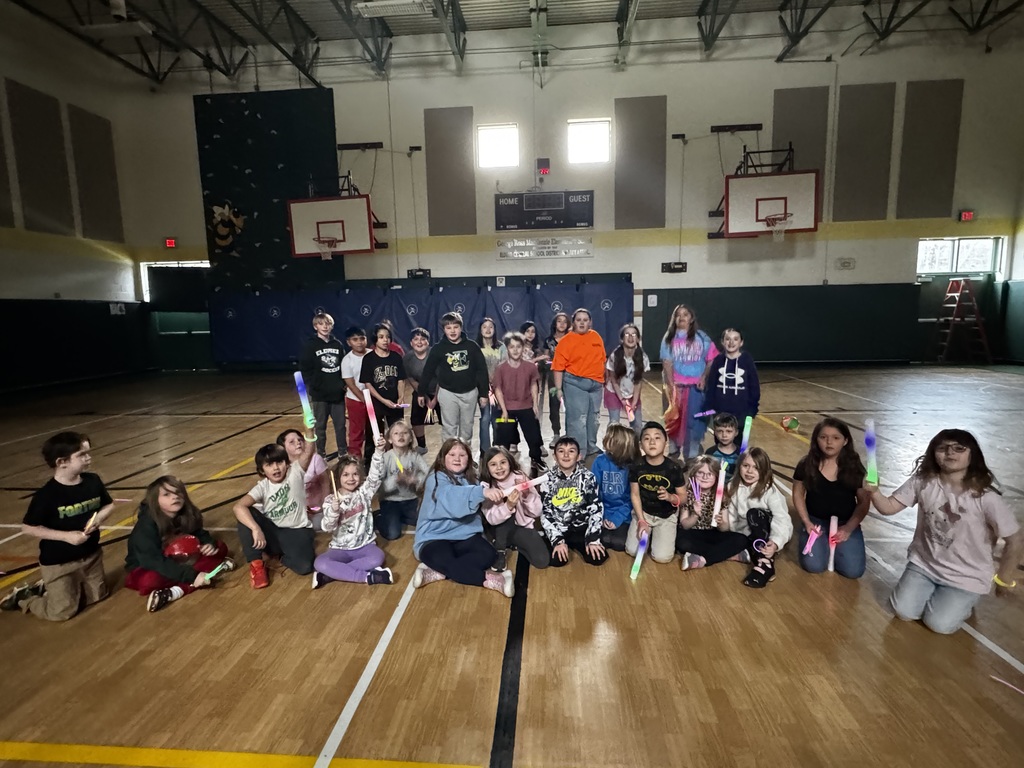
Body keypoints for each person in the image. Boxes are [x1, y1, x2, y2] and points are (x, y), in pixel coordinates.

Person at [868, 429, 1024, 634]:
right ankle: (944, 598)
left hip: (967, 576)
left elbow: (1014, 539)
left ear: (972, 455)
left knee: (939, 625)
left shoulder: (987, 498)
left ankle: (965, 601)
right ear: (934, 453)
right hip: (924, 565)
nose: (950, 453)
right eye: (942, 448)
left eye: (959, 448)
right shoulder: (922, 482)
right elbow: (887, 508)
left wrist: (1003, 577)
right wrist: (874, 491)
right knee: (903, 611)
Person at [3, 432, 114, 620]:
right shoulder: (47, 495)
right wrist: (66, 536)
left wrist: (99, 518)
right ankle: (25, 598)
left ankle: (48, 586)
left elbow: (109, 505)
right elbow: (28, 528)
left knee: (97, 597)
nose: (89, 458)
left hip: (91, 556)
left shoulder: (93, 481)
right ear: (61, 462)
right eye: (82, 455)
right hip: (59, 562)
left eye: (88, 453)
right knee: (62, 612)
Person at [412, 438, 513, 596]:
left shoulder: (472, 479)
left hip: (465, 535)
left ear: (469, 458)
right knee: (448, 561)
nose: (457, 458)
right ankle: (494, 581)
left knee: (488, 554)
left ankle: (436, 571)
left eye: (462, 454)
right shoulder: (436, 478)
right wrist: (482, 492)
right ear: (442, 457)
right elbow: (451, 496)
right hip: (435, 537)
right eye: (452, 454)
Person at [123, 476, 233, 612]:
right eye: (166, 494)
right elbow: (153, 560)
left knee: (220, 547)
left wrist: (208, 544)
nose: (174, 497)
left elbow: (200, 533)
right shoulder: (146, 526)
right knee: (150, 581)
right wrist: (192, 576)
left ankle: (176, 590)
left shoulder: (185, 515)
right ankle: (190, 582)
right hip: (148, 566)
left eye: (178, 492)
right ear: (154, 501)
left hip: (181, 559)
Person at [232, 430, 317, 588]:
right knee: (245, 514)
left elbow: (309, 450)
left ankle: (281, 555)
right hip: (273, 530)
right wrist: (256, 528)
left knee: (305, 567)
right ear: (262, 470)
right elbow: (238, 507)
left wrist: (309, 429)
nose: (276, 468)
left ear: (287, 463)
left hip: (297, 530)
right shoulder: (263, 486)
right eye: (269, 465)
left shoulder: (295, 472)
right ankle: (257, 565)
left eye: (279, 462)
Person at [313, 436, 394, 588]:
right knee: (320, 562)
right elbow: (327, 527)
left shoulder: (364, 493)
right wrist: (334, 511)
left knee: (378, 557)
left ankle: (333, 574)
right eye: (346, 474)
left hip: (365, 546)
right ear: (338, 477)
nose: (351, 478)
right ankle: (368, 577)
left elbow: (375, 475)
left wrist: (378, 452)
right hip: (339, 549)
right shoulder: (331, 500)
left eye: (355, 474)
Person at [794, 417, 870, 579]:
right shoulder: (806, 464)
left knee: (853, 572)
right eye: (823, 437)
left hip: (845, 523)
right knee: (813, 566)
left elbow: (864, 503)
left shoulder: (855, 468)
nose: (829, 442)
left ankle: (841, 551)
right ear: (816, 440)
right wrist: (807, 522)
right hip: (816, 522)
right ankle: (820, 546)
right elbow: (798, 494)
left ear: (845, 441)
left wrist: (849, 528)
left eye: (836, 438)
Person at [723, 448, 793, 588]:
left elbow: (782, 520)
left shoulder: (769, 491)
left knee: (754, 514)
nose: (749, 471)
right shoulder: (733, 486)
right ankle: (749, 552)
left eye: (756, 468)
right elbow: (732, 516)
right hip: (746, 533)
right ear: (739, 466)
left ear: (764, 471)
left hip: (767, 533)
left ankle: (765, 562)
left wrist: (775, 543)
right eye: (746, 466)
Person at [416, 311, 489, 444]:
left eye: (455, 327)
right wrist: (421, 392)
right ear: (444, 330)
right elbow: (428, 371)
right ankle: (448, 459)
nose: (453, 331)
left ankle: (466, 458)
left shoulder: (472, 346)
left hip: (470, 393)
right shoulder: (438, 349)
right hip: (448, 394)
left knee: (467, 429)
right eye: (448, 328)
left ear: (461, 327)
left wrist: (484, 394)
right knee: (449, 429)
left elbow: (482, 371)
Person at [659, 304, 718, 459]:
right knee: (673, 420)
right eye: (678, 314)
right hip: (676, 387)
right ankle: (673, 451)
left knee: (695, 420)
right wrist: (672, 387)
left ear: (691, 318)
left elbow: (711, 359)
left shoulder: (702, 338)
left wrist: (704, 377)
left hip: (695, 389)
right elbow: (667, 363)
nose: (682, 317)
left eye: (685, 314)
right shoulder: (669, 339)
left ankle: (691, 454)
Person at [624, 422, 687, 565]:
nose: (652, 442)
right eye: (647, 438)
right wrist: (641, 520)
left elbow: (683, 498)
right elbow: (635, 494)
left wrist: (670, 497)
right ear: (641, 444)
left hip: (666, 516)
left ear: (666, 442)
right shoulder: (636, 466)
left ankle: (658, 535)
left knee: (662, 558)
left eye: (657, 438)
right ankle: (649, 532)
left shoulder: (674, 468)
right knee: (632, 551)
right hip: (644, 513)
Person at [540, 436, 608, 567]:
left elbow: (596, 508)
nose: (566, 455)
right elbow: (546, 513)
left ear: (578, 456)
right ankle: (559, 543)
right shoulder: (547, 480)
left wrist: (593, 539)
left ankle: (584, 542)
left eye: (571, 451)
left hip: (581, 528)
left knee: (597, 557)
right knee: (556, 560)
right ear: (554, 456)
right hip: (559, 527)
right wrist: (557, 540)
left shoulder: (588, 478)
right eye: (561, 451)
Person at [480, 446, 550, 571]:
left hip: (521, 527)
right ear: (487, 467)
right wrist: (508, 506)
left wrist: (527, 494)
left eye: (503, 462)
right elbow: (491, 519)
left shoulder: (519, 477)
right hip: (497, 529)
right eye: (493, 464)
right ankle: (500, 548)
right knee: (505, 515)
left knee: (542, 561)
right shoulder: (486, 486)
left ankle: (513, 544)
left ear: (509, 462)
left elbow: (537, 511)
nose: (499, 467)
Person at [676, 455, 749, 570]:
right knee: (681, 542)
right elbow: (684, 525)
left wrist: (721, 523)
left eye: (710, 474)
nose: (705, 477)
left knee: (742, 539)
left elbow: (725, 528)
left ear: (716, 477)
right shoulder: (688, 495)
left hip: (713, 533)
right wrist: (695, 515)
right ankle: (726, 554)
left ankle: (703, 559)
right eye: (700, 473)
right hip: (692, 533)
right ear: (693, 474)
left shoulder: (722, 496)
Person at [551, 308, 607, 457]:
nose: (582, 323)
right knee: (578, 420)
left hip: (596, 384)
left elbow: (602, 359)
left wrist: (604, 380)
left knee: (593, 419)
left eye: (585, 320)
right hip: (575, 383)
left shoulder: (596, 337)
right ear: (574, 322)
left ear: (590, 322)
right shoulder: (566, 341)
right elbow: (558, 367)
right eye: (579, 320)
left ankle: (591, 446)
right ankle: (578, 451)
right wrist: (558, 389)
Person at [492, 331, 544, 475]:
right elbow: (498, 389)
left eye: (518, 347)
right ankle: (503, 463)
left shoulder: (530, 367)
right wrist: (503, 410)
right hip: (506, 407)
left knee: (534, 436)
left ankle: (536, 459)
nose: (515, 350)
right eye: (512, 347)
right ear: (507, 349)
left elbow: (534, 385)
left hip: (526, 405)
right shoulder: (500, 368)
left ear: (523, 348)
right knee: (502, 439)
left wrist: (534, 404)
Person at [299, 311, 346, 458]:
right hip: (319, 394)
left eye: (328, 323)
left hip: (337, 394)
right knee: (320, 427)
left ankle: (343, 452)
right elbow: (305, 368)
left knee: (340, 426)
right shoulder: (310, 345)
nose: (325, 326)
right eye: (321, 324)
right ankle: (320, 453)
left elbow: (344, 366)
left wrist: (342, 385)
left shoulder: (337, 344)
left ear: (332, 326)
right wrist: (314, 384)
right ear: (315, 326)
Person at [360, 322, 408, 464]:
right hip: (377, 404)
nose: (385, 340)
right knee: (374, 435)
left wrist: (400, 397)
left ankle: (400, 462)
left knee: (399, 433)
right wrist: (382, 400)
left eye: (387, 337)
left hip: (394, 403)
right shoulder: (368, 359)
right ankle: (371, 463)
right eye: (381, 337)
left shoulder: (396, 357)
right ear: (375, 339)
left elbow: (401, 379)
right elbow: (368, 384)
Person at [377, 421, 429, 541]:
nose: (401, 436)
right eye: (396, 433)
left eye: (405, 433)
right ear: (389, 439)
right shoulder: (385, 458)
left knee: (425, 522)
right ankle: (378, 517)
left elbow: (428, 475)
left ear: (411, 438)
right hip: (390, 502)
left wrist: (415, 480)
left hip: (411, 500)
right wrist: (396, 479)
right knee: (392, 534)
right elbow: (379, 486)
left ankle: (399, 517)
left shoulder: (415, 456)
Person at [591, 424, 640, 551]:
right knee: (604, 540)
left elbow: (632, 498)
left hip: (624, 513)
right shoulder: (599, 461)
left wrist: (617, 518)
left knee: (619, 544)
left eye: (611, 438)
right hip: (603, 511)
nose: (605, 439)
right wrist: (601, 516)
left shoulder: (632, 466)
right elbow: (594, 492)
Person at [702, 328, 760, 426]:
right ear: (722, 342)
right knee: (721, 439)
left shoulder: (747, 361)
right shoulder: (718, 361)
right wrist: (709, 407)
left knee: (742, 441)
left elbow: (754, 387)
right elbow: (711, 386)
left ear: (741, 343)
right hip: (720, 412)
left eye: (735, 339)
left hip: (742, 413)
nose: (731, 342)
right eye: (727, 339)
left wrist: (752, 409)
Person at [277, 428, 330, 530]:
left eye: (300, 440)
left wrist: (323, 506)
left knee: (318, 524)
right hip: (296, 512)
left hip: (317, 509)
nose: (298, 443)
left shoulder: (315, 459)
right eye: (292, 442)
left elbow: (325, 484)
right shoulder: (281, 466)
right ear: (283, 448)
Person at [605, 323, 650, 436]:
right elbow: (614, 381)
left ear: (638, 338)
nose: (630, 337)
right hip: (615, 392)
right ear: (621, 339)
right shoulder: (615, 356)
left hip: (632, 393)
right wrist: (622, 400)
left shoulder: (642, 357)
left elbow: (638, 381)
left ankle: (634, 449)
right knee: (614, 425)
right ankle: (613, 449)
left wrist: (634, 401)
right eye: (627, 334)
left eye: (634, 334)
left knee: (637, 425)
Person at [404, 327, 437, 455]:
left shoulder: (434, 354)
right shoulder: (407, 359)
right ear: (411, 343)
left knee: (448, 420)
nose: (419, 342)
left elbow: (441, 378)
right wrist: (422, 395)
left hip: (440, 390)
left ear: (428, 342)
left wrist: (435, 399)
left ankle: (448, 443)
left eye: (423, 339)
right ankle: (422, 446)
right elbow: (411, 379)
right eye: (416, 339)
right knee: (416, 419)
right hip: (421, 392)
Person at [476, 317, 504, 453]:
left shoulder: (501, 347)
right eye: (484, 327)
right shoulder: (475, 347)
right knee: (485, 418)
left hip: (498, 388)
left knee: (496, 419)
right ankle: (485, 449)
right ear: (480, 330)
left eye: (490, 327)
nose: (488, 330)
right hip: (482, 389)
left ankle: (497, 445)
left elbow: (505, 366)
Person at [341, 326, 370, 457]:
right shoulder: (347, 360)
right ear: (349, 342)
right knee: (356, 432)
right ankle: (355, 460)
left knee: (376, 431)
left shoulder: (372, 355)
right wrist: (365, 400)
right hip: (356, 400)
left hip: (374, 399)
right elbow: (351, 385)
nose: (359, 342)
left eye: (362, 338)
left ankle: (375, 459)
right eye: (355, 339)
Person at [543, 312, 570, 447]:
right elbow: (546, 358)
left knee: (571, 406)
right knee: (554, 406)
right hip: (554, 379)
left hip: (570, 378)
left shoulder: (572, 339)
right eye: (559, 321)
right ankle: (556, 434)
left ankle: (570, 433)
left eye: (565, 321)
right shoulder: (549, 341)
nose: (562, 324)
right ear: (555, 323)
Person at [706, 413, 741, 483]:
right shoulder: (710, 453)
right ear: (715, 432)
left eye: (729, 431)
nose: (724, 435)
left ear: (736, 432)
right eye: (720, 431)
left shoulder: (741, 453)